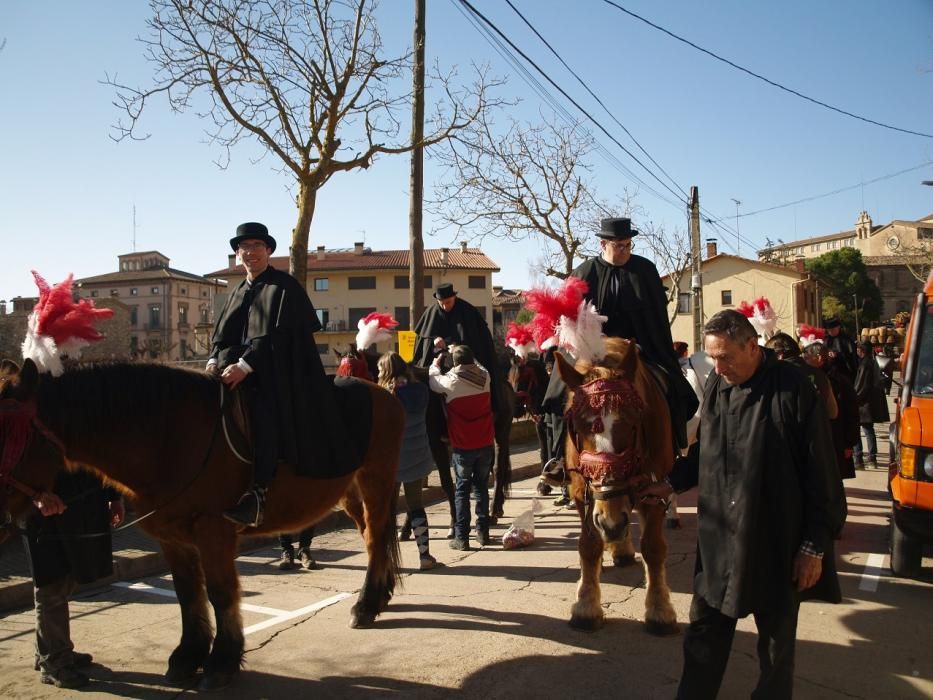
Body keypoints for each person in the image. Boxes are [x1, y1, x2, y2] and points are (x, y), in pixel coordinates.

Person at [640, 310, 845, 699]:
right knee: (703, 634)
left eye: (726, 357)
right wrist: (669, 484)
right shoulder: (719, 385)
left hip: (776, 543)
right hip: (720, 541)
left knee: (775, 648)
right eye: (713, 358)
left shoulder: (794, 387)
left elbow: (822, 472)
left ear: (753, 346)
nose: (718, 367)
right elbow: (706, 452)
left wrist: (813, 545)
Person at [207, 222, 351, 527]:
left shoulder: (284, 287)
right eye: (244, 247)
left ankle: (258, 494)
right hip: (229, 371)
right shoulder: (235, 293)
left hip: (273, 375)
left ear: (269, 250)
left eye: (257, 246)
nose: (250, 252)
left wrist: (245, 366)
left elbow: (280, 337)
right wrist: (212, 361)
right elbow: (221, 336)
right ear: (237, 254)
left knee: (265, 414)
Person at [571, 217, 698, 448]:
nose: (625, 250)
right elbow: (572, 318)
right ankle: (558, 459)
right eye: (619, 245)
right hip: (594, 352)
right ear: (603, 245)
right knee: (561, 389)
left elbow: (655, 320)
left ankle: (673, 446)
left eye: (628, 245)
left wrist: (641, 344)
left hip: (640, 349)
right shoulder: (584, 272)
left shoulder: (645, 270)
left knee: (671, 386)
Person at [24, 471, 125, 689]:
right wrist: (35, 494)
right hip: (44, 509)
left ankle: (52, 649)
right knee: (51, 584)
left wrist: (114, 496)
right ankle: (54, 663)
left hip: (81, 501)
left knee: (68, 577)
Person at [428, 344, 495, 550]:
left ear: (455, 363)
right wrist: (460, 350)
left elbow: (432, 380)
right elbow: (479, 365)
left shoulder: (451, 382)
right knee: (482, 487)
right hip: (485, 443)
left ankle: (461, 537)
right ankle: (483, 533)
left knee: (462, 490)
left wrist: (435, 362)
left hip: (463, 446)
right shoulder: (485, 377)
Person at [378, 351, 439, 570]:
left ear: (386, 370)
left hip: (391, 460)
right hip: (416, 457)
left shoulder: (384, 396)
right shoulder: (422, 391)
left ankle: (383, 558)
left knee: (386, 509)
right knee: (416, 506)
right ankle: (425, 556)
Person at [412, 282, 501, 409]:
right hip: (437, 359)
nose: (444, 306)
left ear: (454, 297)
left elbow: (479, 342)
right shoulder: (431, 312)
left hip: (463, 365)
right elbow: (423, 341)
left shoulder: (468, 311)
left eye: (448, 302)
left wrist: (458, 349)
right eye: (440, 302)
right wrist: (433, 340)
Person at [803, 342, 860, 482]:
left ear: (818, 358)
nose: (804, 361)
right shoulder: (805, 378)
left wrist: (849, 443)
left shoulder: (838, 380)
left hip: (836, 438)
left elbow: (851, 412)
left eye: (807, 358)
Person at [766, 332, 838, 420]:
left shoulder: (776, 377)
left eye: (768, 356)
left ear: (779, 356)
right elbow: (833, 413)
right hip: (819, 431)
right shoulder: (820, 375)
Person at [853, 341, 891, 469]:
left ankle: (858, 458)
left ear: (861, 350)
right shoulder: (874, 362)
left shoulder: (864, 364)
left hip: (863, 405)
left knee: (857, 431)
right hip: (870, 404)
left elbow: (861, 386)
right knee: (869, 430)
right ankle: (872, 458)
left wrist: (854, 398)